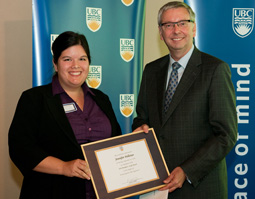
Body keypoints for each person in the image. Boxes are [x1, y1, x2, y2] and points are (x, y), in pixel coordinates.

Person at [132, 2, 237, 199]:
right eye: (168, 25)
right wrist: (141, 127)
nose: (176, 30)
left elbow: (226, 135)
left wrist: (187, 170)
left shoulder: (215, 69)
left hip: (200, 188)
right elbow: (142, 117)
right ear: (160, 32)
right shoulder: (151, 70)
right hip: (157, 187)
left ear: (194, 28)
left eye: (182, 23)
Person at [8, 31, 121, 199]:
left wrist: (138, 140)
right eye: (67, 59)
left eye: (82, 59)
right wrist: (63, 167)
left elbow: (116, 143)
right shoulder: (34, 99)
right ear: (55, 64)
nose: (76, 65)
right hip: (51, 192)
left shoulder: (102, 99)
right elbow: (20, 149)